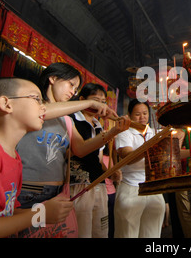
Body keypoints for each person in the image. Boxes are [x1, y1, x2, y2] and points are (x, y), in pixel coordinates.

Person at [0, 78, 73, 238]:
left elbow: (8, 211)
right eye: (36, 99)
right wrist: (39, 215)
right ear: (6, 104)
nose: (43, 107)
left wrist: (44, 211)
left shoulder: (13, 156)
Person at [16, 62, 130, 212]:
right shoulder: (32, 103)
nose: (72, 92)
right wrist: (88, 103)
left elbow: (81, 149)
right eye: (71, 85)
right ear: (53, 78)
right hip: (28, 188)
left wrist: (112, 132)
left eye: (75, 89)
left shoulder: (67, 120)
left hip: (57, 190)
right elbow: (41, 111)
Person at [69, 83, 122, 238]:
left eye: (103, 102)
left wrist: (110, 173)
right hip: (79, 185)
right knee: (83, 232)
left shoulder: (98, 125)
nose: (100, 105)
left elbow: (98, 160)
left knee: (100, 232)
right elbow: (79, 150)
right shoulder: (72, 120)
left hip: (99, 185)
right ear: (82, 100)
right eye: (95, 100)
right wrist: (111, 133)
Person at [114, 99, 165, 238]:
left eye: (145, 113)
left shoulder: (154, 133)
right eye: (137, 114)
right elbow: (128, 157)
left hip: (153, 187)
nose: (142, 117)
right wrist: (150, 147)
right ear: (129, 115)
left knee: (152, 233)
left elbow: (168, 152)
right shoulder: (125, 133)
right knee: (127, 233)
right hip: (131, 187)